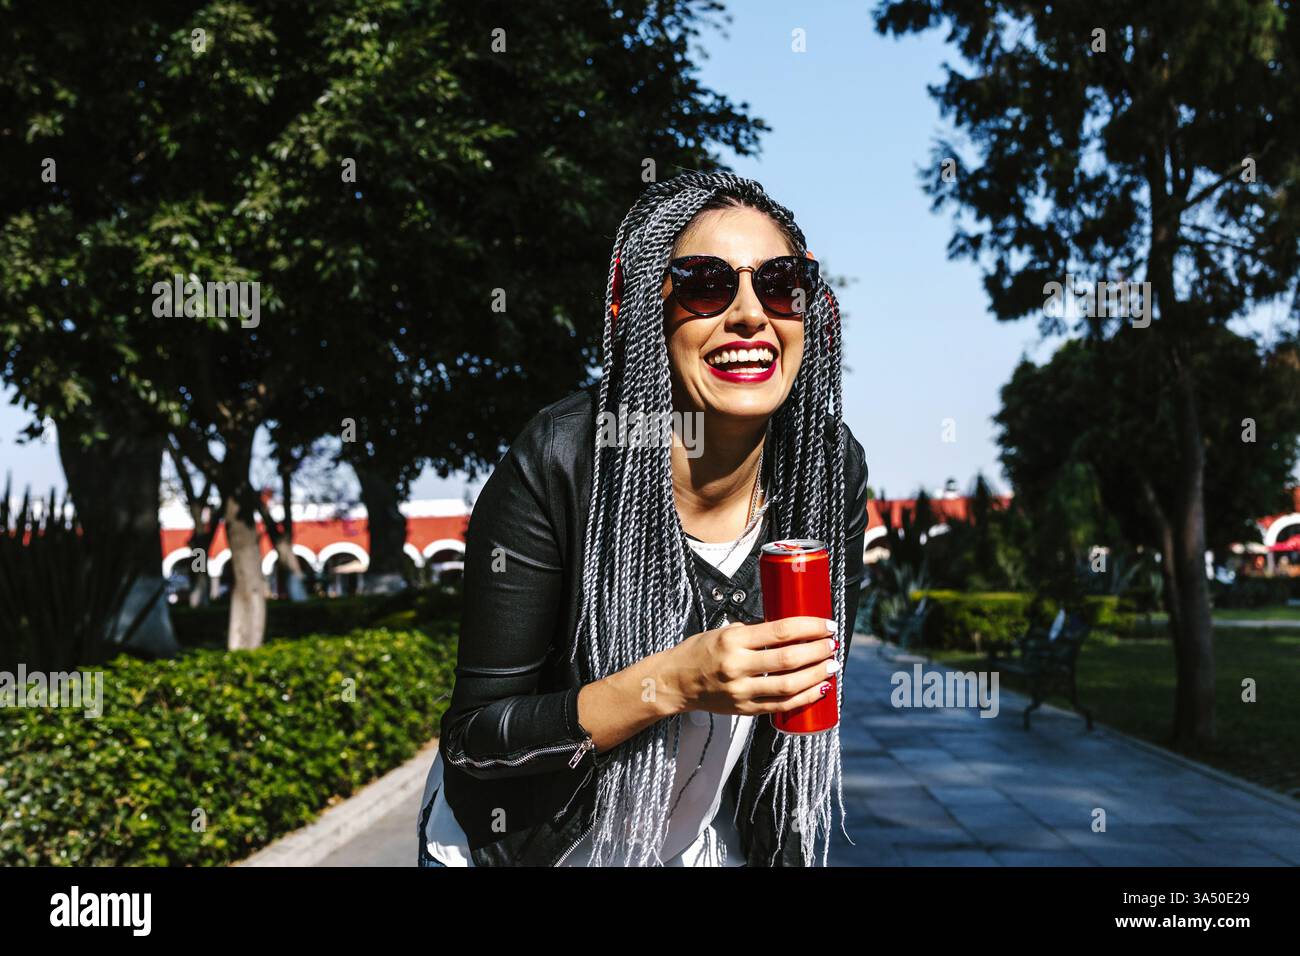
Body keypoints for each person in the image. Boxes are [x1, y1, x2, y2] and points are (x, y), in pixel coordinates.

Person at [417, 171, 869, 867]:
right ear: (644, 311)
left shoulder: (826, 471)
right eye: (705, 284)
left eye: (780, 283)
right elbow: (476, 740)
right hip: (524, 852)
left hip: (697, 848)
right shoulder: (561, 461)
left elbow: (787, 751)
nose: (751, 314)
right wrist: (676, 681)